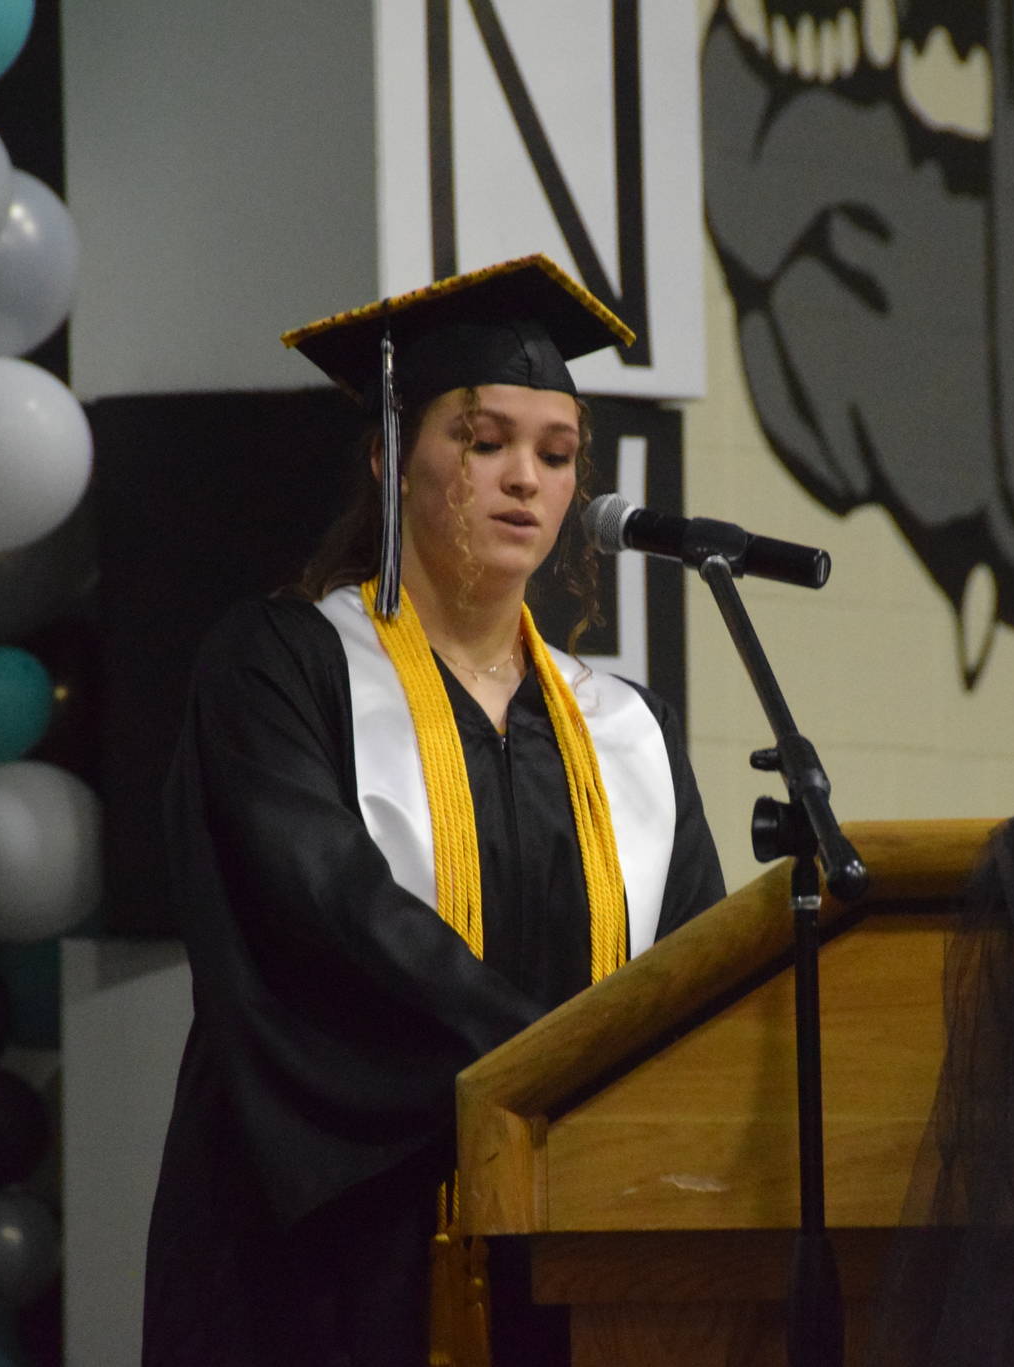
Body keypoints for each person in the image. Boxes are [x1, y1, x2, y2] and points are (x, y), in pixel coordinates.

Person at [141, 255, 725, 1367]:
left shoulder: (624, 728)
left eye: (555, 455)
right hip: (332, 1243)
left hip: (573, 1230)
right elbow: (326, 907)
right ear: (388, 458)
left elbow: (695, 966)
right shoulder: (282, 663)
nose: (525, 479)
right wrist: (555, 1065)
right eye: (482, 439)